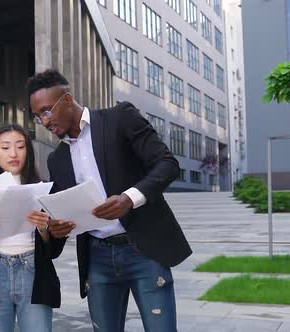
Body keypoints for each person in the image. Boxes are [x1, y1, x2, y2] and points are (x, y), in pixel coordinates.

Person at [26, 69, 192, 332]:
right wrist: (55, 228)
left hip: (143, 250)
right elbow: (65, 214)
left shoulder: (120, 118)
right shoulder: (56, 159)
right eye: (37, 117)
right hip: (97, 258)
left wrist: (129, 198)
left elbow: (167, 164)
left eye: (46, 111)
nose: (44, 121)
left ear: (67, 99)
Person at [0, 124, 64, 332]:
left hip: (34, 272)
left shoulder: (43, 189)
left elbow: (54, 250)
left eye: (20, 146)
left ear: (28, 151)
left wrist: (44, 229)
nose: (13, 154)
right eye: (5, 147)